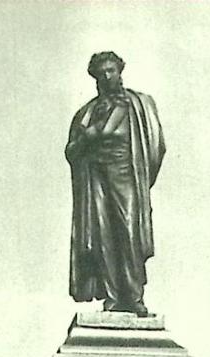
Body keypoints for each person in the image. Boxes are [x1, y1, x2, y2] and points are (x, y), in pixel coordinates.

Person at [66, 52, 166, 316]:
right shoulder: (87, 113)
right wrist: (86, 140)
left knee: (128, 232)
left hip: (126, 175)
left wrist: (143, 180)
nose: (106, 77)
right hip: (96, 176)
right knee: (102, 236)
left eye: (111, 71)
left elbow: (157, 147)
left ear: (120, 72)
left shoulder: (138, 104)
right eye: (101, 74)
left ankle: (133, 297)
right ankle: (112, 297)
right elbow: (71, 151)